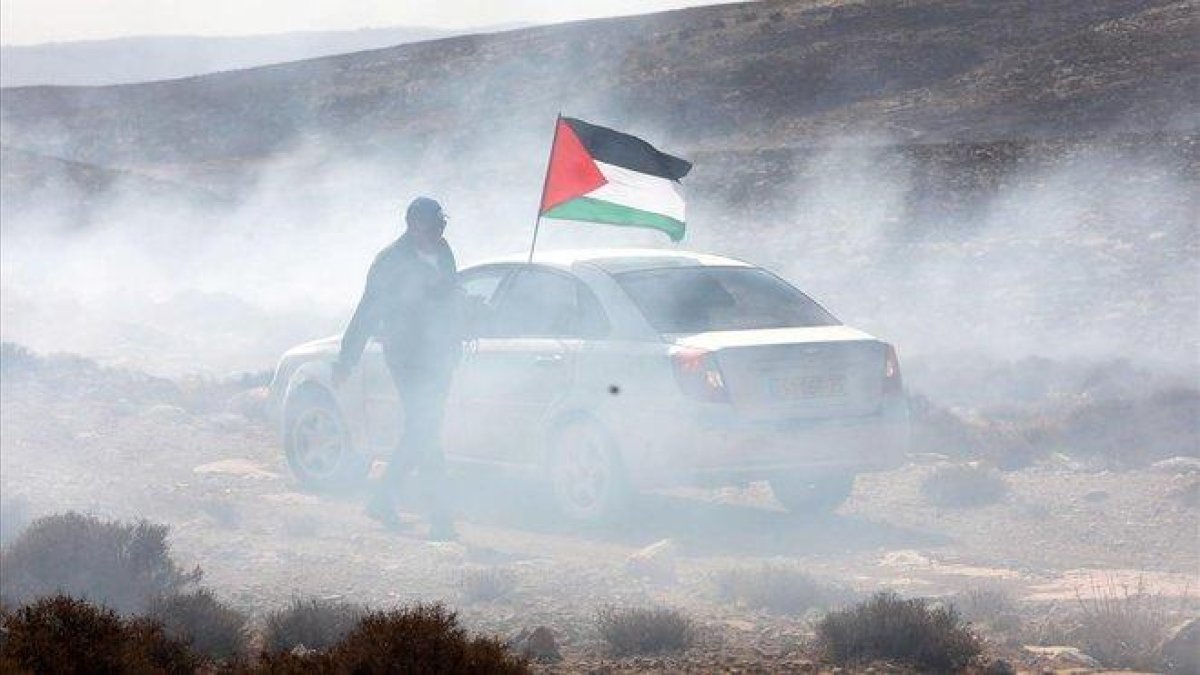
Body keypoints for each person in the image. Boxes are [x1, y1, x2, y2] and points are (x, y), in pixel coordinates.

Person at [332, 196, 461, 540]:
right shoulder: (390, 261)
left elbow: (450, 297)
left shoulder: (444, 251)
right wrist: (347, 359)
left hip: (440, 355)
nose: (440, 232)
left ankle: (383, 498)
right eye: (434, 226)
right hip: (408, 357)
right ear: (414, 225)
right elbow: (367, 311)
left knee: (422, 429)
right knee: (426, 428)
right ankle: (441, 518)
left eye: (442, 225)